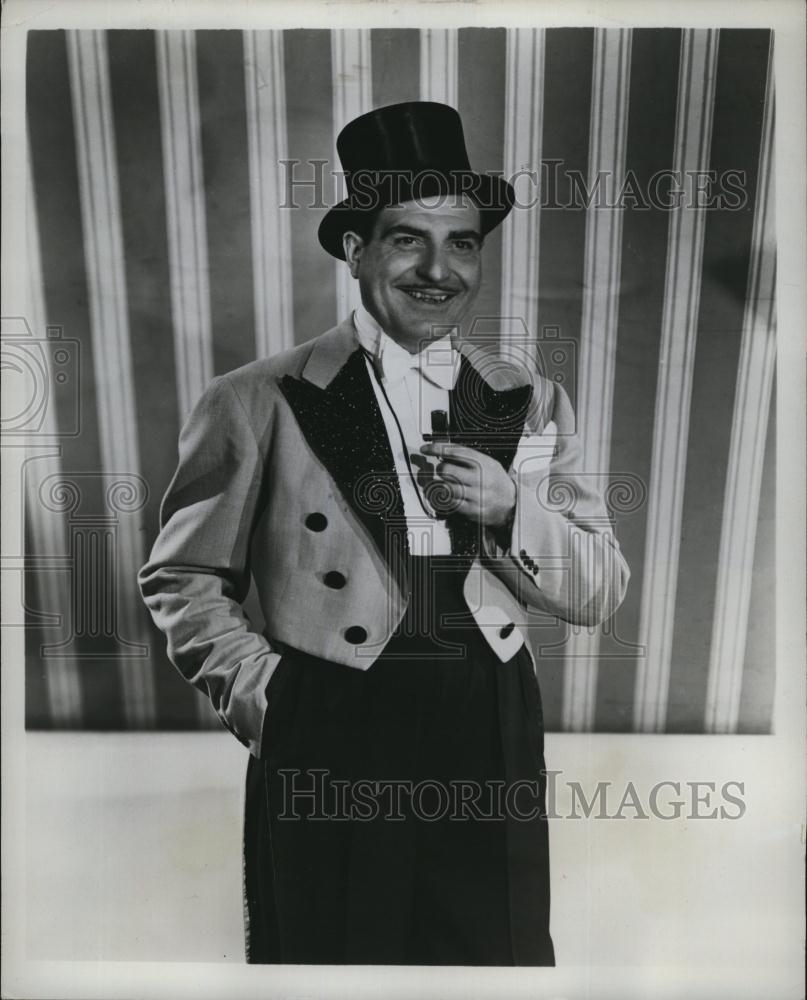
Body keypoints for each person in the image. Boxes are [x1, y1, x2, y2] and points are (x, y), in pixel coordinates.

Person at [138, 101, 630, 967]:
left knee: (496, 949)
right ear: (355, 249)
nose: (439, 270)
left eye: (463, 243)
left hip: (488, 707)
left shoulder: (528, 398)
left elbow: (597, 589)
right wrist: (269, 697)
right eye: (407, 239)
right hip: (332, 706)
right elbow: (183, 578)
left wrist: (513, 507)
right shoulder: (254, 397)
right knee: (332, 946)